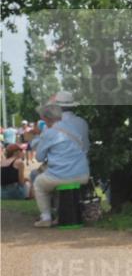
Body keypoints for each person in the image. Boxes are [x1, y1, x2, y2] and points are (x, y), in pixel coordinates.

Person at [28, 94, 90, 227]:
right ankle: (62, 214)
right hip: (83, 172)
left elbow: (39, 157)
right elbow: (85, 147)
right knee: (55, 175)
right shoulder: (79, 124)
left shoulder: (49, 130)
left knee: (39, 183)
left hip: (63, 173)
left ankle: (46, 217)